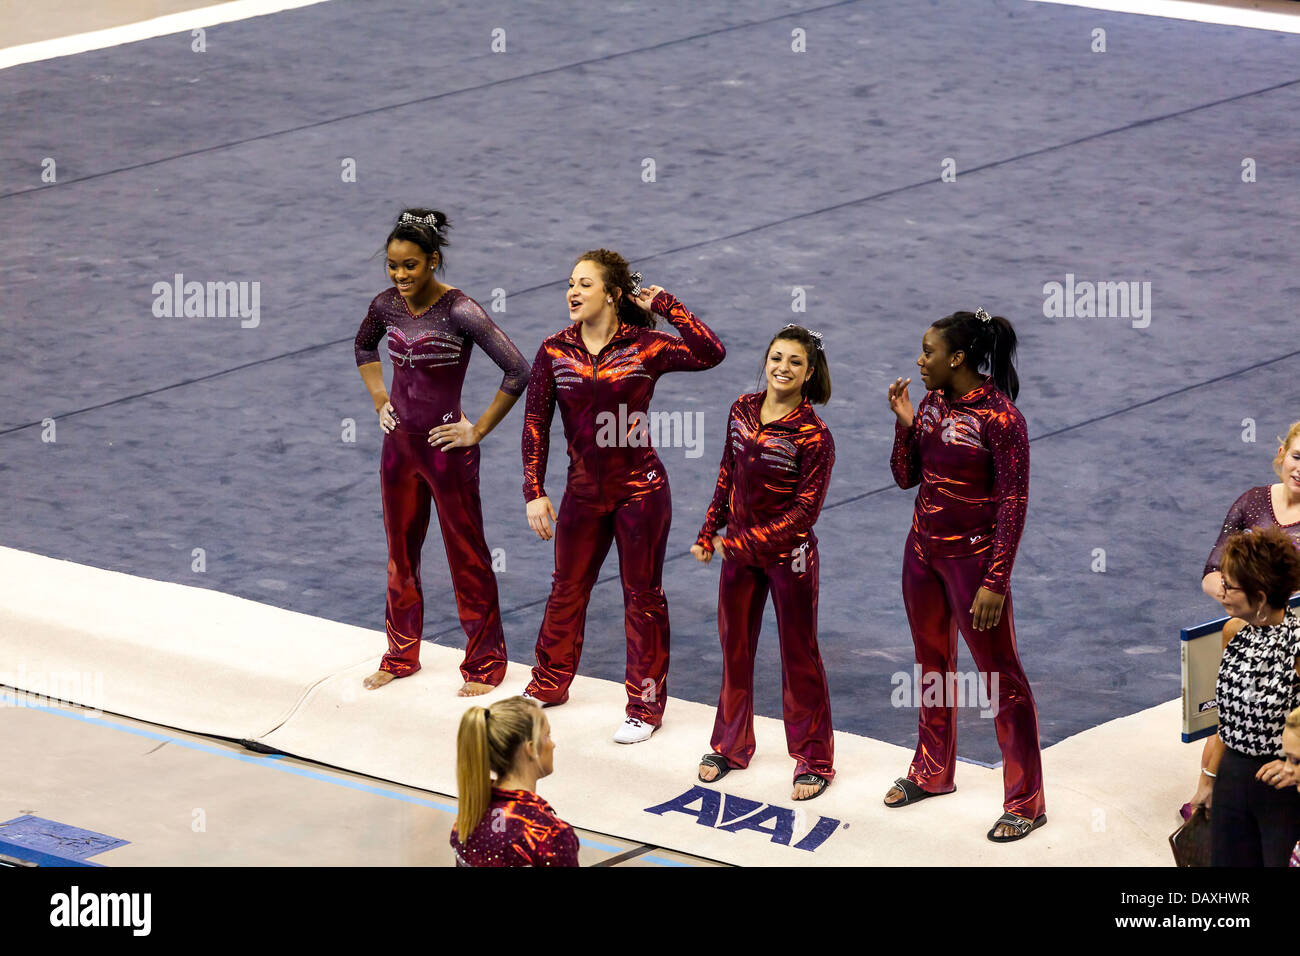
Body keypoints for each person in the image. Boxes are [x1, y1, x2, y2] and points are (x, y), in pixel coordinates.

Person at [521, 249, 725, 743]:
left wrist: (667, 303)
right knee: (566, 589)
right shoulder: (553, 351)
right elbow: (535, 424)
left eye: (585, 284)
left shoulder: (646, 346)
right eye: (570, 282)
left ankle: (645, 705)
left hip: (640, 492)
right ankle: (549, 683)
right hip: (582, 494)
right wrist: (534, 490)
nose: (572, 291)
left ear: (613, 294)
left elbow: (709, 352)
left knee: (643, 598)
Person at [884, 308, 1046, 842]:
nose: (919, 359)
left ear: (957, 358)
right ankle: (932, 772)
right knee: (932, 665)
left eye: (928, 352)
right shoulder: (932, 403)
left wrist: (996, 580)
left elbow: (1013, 504)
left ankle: (1026, 799)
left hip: (973, 562)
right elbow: (906, 478)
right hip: (922, 554)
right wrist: (905, 424)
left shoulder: (1001, 420)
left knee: (1000, 678)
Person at [354, 208, 530, 695]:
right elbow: (364, 347)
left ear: (432, 261)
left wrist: (478, 430)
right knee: (399, 557)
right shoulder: (386, 306)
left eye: (409, 265)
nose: (399, 275)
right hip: (399, 451)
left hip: (446, 452)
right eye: (392, 265)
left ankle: (485, 663)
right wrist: (379, 400)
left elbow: (518, 370)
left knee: (467, 556)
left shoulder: (461, 311)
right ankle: (400, 653)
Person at [692, 325, 836, 801]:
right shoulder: (741, 409)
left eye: (795, 362)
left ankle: (813, 757)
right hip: (739, 551)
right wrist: (709, 529)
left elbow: (805, 512)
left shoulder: (814, 435)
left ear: (810, 373)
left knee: (799, 655)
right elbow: (727, 472)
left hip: (788, 558)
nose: (782, 368)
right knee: (735, 648)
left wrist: (744, 543)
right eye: (776, 357)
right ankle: (730, 745)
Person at [1188, 528, 1300, 867]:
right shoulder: (1233, 632)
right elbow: (1228, 719)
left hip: (1281, 788)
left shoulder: (1297, 644)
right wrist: (1208, 780)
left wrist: (1297, 768)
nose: (1220, 593)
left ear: (1261, 597)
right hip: (1233, 778)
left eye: (1229, 587)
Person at [450, 696, 578, 867]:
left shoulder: (467, 819)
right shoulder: (549, 835)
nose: (553, 745)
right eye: (547, 736)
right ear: (531, 749)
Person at [1201, 421, 1300, 601]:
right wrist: (1236, 596)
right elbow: (1212, 572)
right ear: (1282, 454)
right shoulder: (1252, 501)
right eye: (1297, 457)